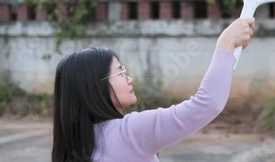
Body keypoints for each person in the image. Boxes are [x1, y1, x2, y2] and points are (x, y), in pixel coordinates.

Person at [52, 17, 256, 162]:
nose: (129, 78)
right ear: (94, 86)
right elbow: (206, 104)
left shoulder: (76, 145)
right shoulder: (129, 133)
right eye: (120, 72)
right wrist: (226, 43)